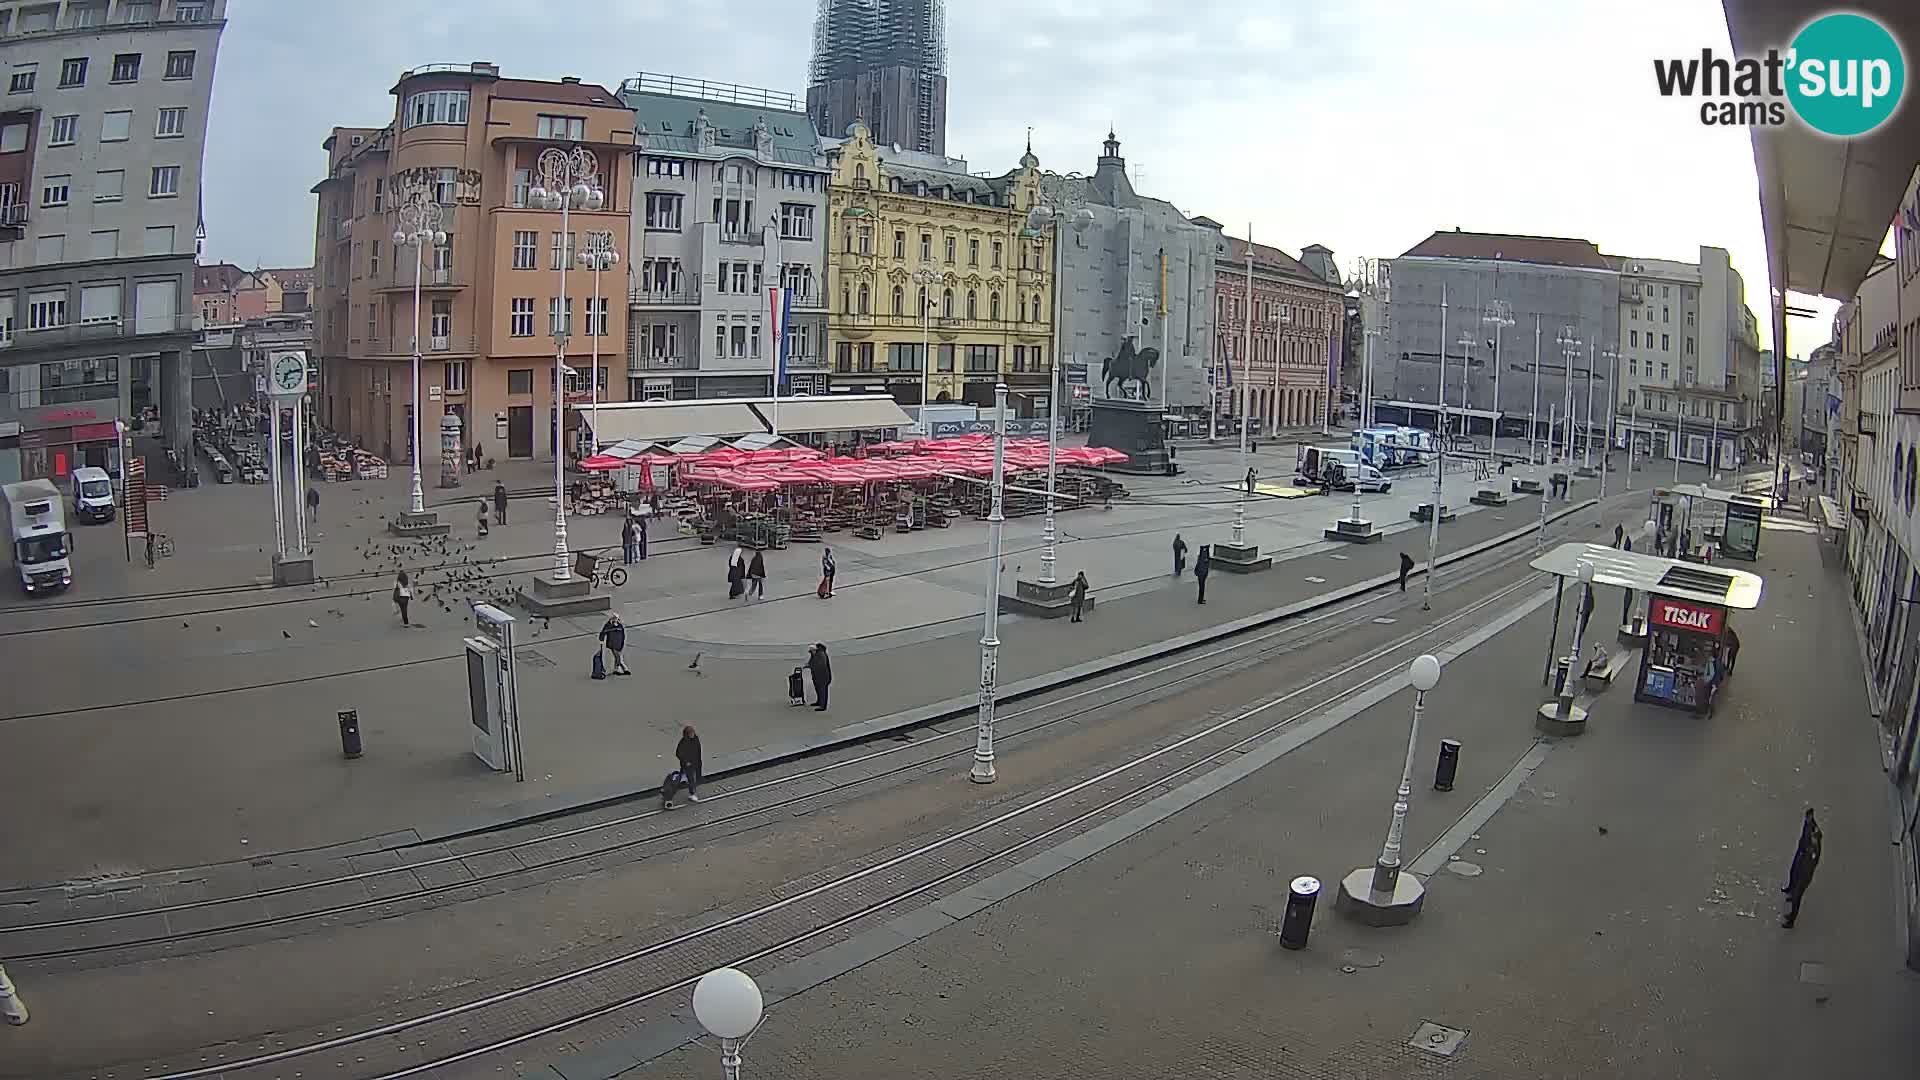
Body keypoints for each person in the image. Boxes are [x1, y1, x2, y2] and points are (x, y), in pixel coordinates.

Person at [1782, 808, 1822, 928]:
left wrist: (1806, 853)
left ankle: (1791, 920)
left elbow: (1812, 864)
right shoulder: (1809, 826)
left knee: (1797, 896)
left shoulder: (1814, 849)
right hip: (1801, 858)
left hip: (1805, 872)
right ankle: (1791, 890)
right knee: (1792, 873)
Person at [675, 725, 704, 803]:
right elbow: (678, 753)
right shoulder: (683, 742)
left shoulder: (696, 739)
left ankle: (673, 788)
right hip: (687, 765)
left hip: (695, 762)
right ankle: (692, 794)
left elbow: (698, 750)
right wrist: (686, 762)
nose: (692, 735)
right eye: (690, 733)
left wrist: (699, 761)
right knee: (691, 779)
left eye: (693, 733)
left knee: (685, 777)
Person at [807, 642, 832, 711]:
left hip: (823, 676)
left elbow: (821, 665)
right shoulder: (814, 654)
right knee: (818, 689)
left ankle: (823, 706)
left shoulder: (821, 654)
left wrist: (811, 666)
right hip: (816, 676)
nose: (811, 652)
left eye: (811, 651)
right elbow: (811, 662)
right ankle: (819, 702)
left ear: (815, 649)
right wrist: (808, 665)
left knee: (822, 691)